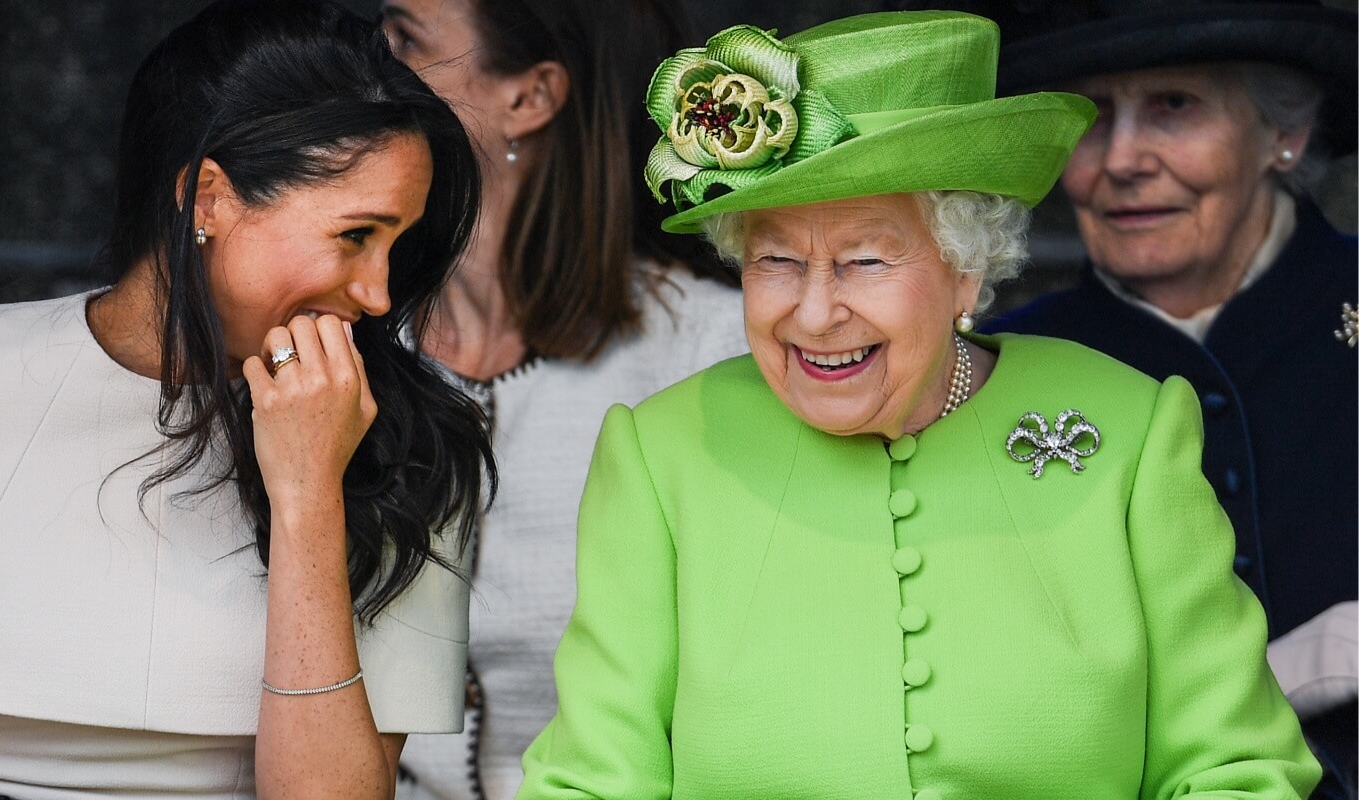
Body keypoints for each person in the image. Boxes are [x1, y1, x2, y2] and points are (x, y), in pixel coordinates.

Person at [516, 11, 1320, 798]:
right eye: (776, 260)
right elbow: (591, 781)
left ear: (966, 269)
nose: (814, 311)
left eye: (864, 259)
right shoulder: (663, 453)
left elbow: (1238, 771)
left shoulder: (1131, 429)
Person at [0, 1, 492, 797]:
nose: (377, 293)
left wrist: (307, 496)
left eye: (398, 246)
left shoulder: (412, 442)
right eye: (355, 235)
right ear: (209, 199)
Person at [960, 2, 1356, 794]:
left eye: (1174, 106)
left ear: (1287, 134)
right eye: (1093, 116)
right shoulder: (998, 367)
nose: (1124, 159)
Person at [374, 2, 747, 797]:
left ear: (530, 97)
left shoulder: (708, 354)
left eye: (405, 39)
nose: (364, 64)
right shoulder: (353, 334)